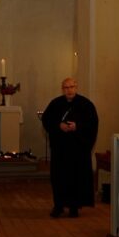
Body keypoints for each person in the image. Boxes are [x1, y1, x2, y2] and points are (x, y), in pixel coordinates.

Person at [42, 77, 98, 218]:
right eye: (66, 87)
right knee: (59, 178)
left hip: (78, 149)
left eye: (71, 87)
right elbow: (46, 120)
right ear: (63, 89)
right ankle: (58, 206)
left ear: (76, 87)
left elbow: (92, 124)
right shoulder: (55, 104)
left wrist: (77, 126)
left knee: (76, 178)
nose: (69, 90)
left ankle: (74, 207)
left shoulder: (86, 104)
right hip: (60, 149)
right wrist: (58, 126)